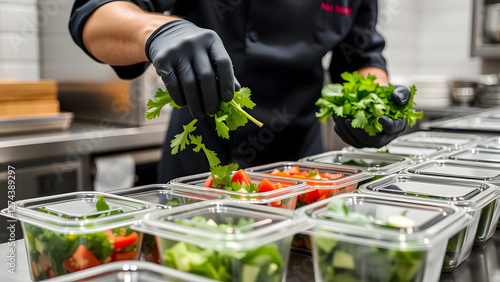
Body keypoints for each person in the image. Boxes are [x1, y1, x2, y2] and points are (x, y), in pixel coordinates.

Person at [69, 0, 410, 182]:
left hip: (300, 169)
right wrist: (158, 30)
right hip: (204, 160)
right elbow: (93, 15)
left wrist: (376, 103)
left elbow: (361, 55)